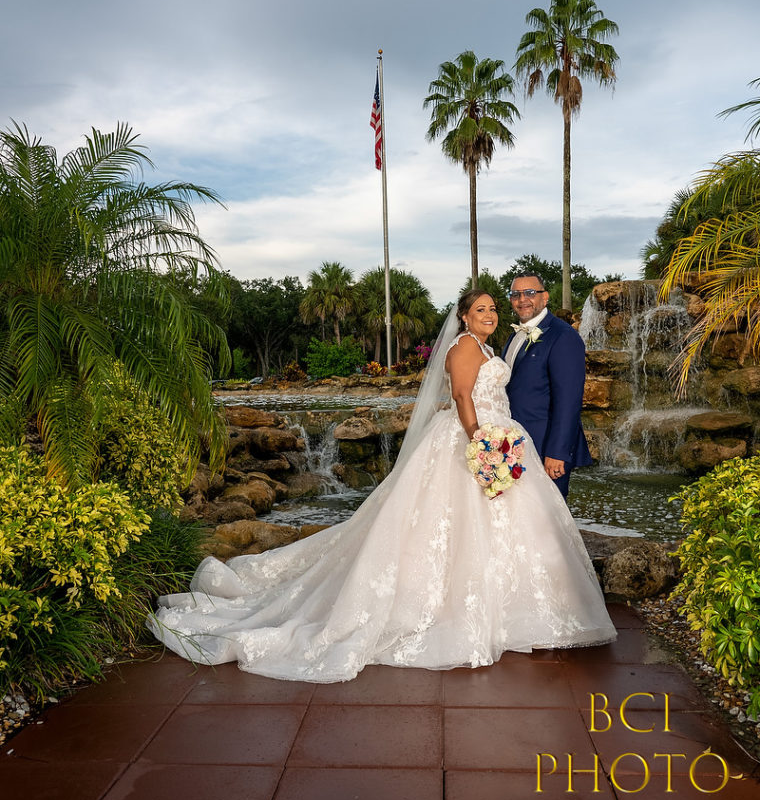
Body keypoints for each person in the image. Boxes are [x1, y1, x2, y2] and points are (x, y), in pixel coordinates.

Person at [149, 289, 615, 682]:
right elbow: (461, 397)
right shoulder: (466, 348)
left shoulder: (492, 348)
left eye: (495, 308)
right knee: (448, 525)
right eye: (481, 310)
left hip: (504, 440)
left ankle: (515, 609)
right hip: (476, 441)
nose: (491, 315)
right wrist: (480, 443)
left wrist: (498, 441)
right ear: (463, 317)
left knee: (507, 528)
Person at [501, 272, 592, 499]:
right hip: (516, 446)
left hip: (546, 448)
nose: (523, 299)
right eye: (516, 294)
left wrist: (557, 452)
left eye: (530, 293)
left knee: (549, 522)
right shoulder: (514, 336)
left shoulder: (563, 336)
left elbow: (568, 401)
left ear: (545, 297)